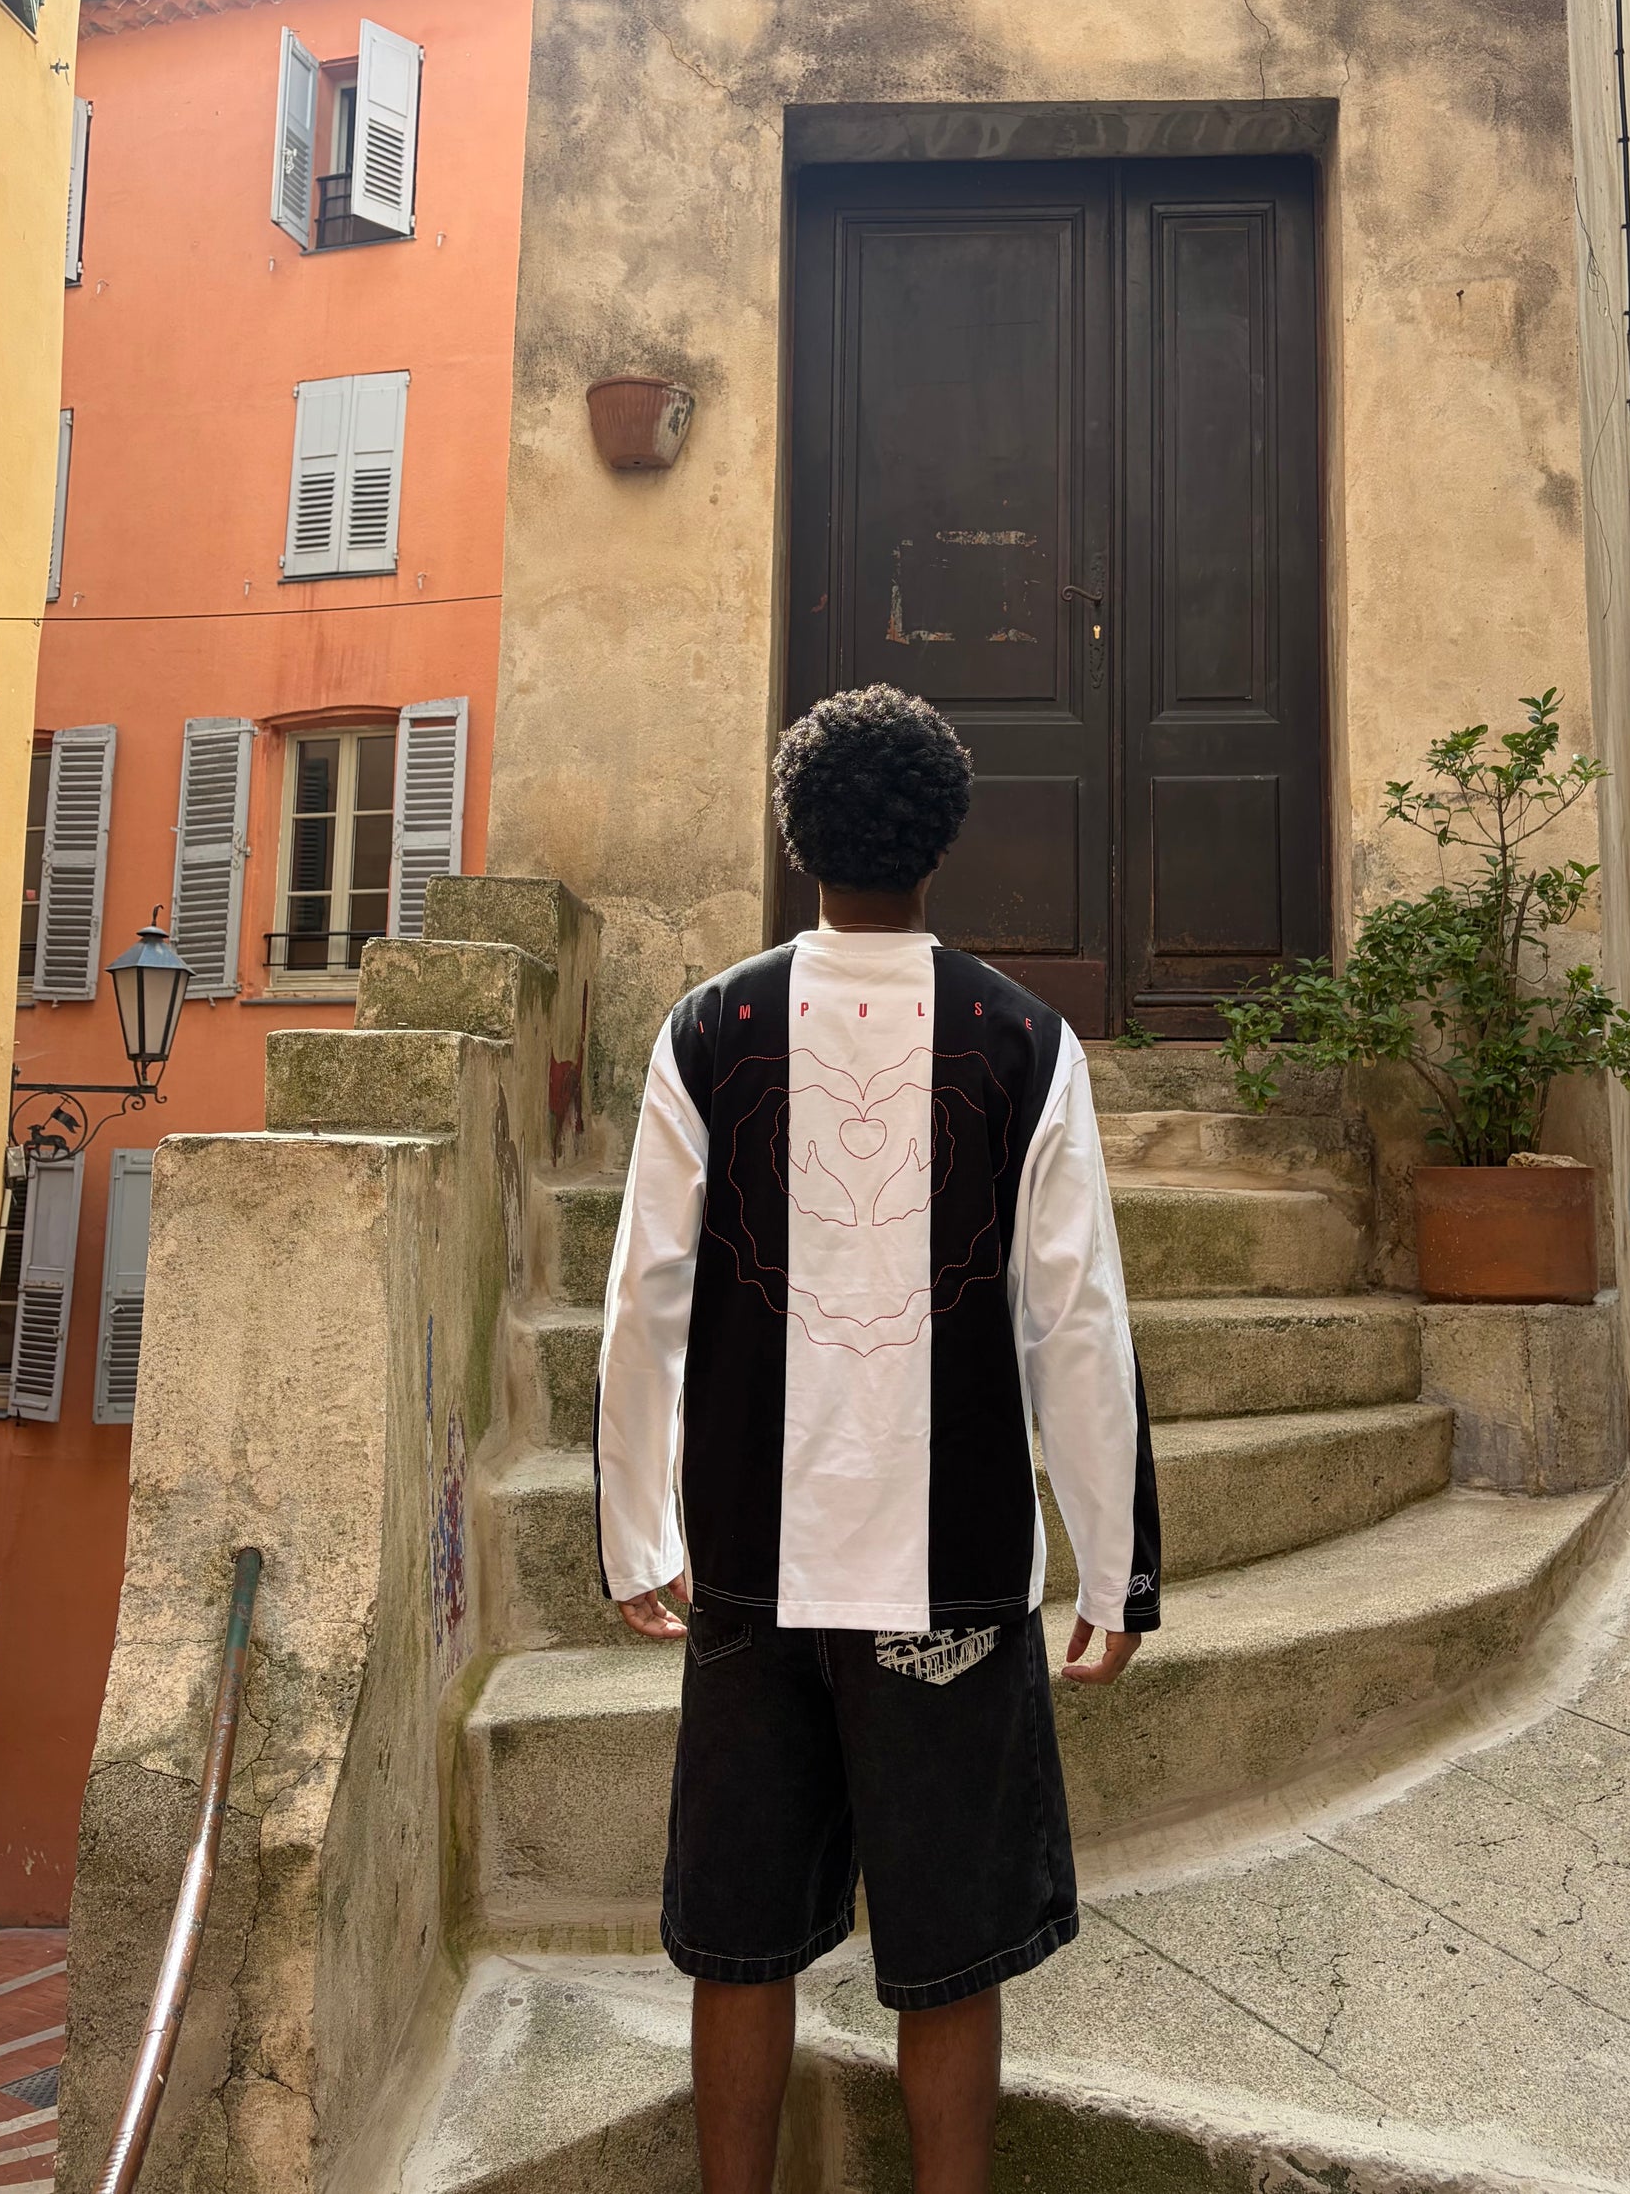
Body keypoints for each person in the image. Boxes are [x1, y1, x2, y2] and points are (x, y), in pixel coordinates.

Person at [594, 683, 1161, 2194]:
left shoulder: (708, 1028)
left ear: (797, 838)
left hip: (747, 1563)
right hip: (955, 1571)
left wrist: (638, 1535)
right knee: (949, 1952)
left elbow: (644, 1296)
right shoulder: (1024, 1040)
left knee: (741, 1941)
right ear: (942, 839)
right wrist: (1114, 1567)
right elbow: (1077, 1321)